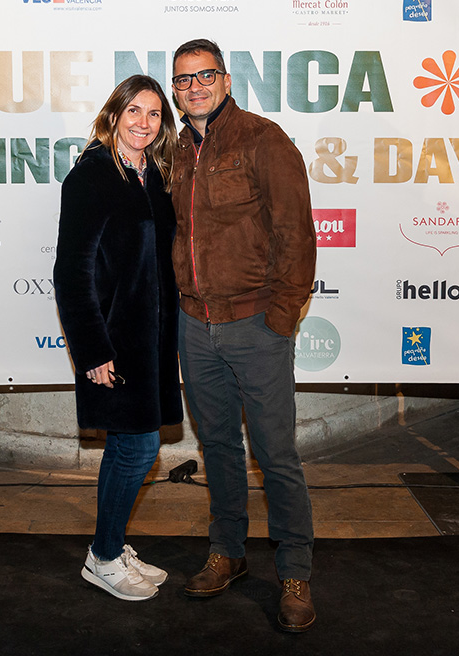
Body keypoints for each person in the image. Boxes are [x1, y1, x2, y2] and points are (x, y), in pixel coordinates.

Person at [169, 38, 318, 632]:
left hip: (257, 325)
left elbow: (296, 234)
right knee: (219, 448)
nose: (195, 87)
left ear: (226, 80)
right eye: (184, 79)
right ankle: (227, 553)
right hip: (194, 325)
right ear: (175, 90)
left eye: (205, 75)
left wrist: (280, 318)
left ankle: (295, 572)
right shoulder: (174, 150)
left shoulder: (263, 139)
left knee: (276, 453)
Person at [53, 75, 183, 601]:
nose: (143, 123)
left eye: (154, 114)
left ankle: (110, 546)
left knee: (129, 446)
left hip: (152, 341)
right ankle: (103, 556)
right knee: (139, 447)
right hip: (114, 341)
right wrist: (92, 349)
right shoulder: (92, 176)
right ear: (113, 114)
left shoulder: (154, 174)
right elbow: (71, 271)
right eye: (134, 111)